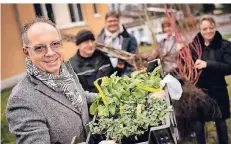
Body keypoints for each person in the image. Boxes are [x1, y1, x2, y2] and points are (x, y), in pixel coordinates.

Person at [5, 17, 112, 144]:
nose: (50, 53)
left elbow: (80, 94)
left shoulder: (65, 72)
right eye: (40, 48)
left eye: (55, 44)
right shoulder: (22, 99)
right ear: (27, 52)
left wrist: (107, 99)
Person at [191, 15, 231, 144]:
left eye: (211, 28)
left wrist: (207, 64)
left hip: (218, 90)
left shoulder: (224, 45)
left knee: (220, 123)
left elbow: (229, 67)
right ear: (200, 30)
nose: (208, 31)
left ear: (215, 27)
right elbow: (185, 65)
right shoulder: (193, 47)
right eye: (204, 29)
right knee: (198, 124)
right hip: (199, 91)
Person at [97, 11, 138, 76]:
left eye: (115, 21)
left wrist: (125, 77)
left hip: (125, 75)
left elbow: (133, 60)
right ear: (105, 23)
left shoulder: (129, 38)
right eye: (110, 21)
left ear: (119, 22)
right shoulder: (99, 40)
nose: (112, 23)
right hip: (106, 76)